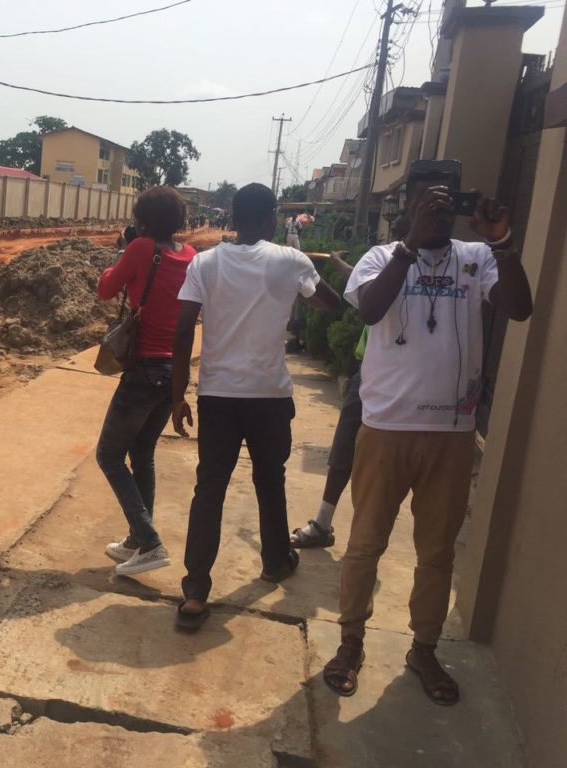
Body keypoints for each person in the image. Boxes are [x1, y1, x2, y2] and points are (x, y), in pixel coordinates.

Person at [322, 161, 533, 705]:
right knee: (365, 544)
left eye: (445, 203)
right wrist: (410, 245)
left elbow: (520, 308)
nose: (437, 213)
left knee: (437, 553)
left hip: (452, 433)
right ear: (409, 207)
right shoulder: (379, 258)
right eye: (425, 203)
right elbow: (370, 310)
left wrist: (503, 242)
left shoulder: (477, 257)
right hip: (386, 428)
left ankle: (424, 648)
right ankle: (350, 642)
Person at [171, 183, 341, 631]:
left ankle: (195, 592)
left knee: (209, 488)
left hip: (217, 396)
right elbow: (328, 302)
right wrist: (317, 276)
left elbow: (183, 328)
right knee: (270, 480)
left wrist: (177, 395)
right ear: (271, 218)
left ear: (232, 216)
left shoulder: (204, 263)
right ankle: (274, 561)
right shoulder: (290, 261)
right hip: (269, 396)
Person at [95, 187, 198, 577]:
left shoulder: (140, 249)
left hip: (144, 370)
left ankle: (150, 541)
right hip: (173, 373)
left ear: (142, 221)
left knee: (109, 456)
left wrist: (124, 252)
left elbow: (106, 288)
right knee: (142, 453)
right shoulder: (190, 255)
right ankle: (138, 539)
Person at [291, 218, 410, 549]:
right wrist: (337, 262)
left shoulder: (411, 272)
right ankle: (324, 522)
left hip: (391, 377)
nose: (390, 243)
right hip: (369, 371)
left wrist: (338, 264)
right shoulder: (386, 265)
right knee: (345, 446)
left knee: (378, 459)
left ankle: (362, 535)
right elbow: (358, 277)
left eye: (396, 236)